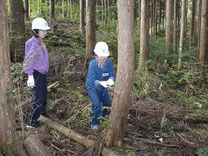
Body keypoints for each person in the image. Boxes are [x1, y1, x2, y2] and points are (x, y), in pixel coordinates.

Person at [23, 17, 50, 128]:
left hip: (42, 73)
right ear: (35, 30)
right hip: (35, 73)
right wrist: (30, 75)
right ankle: (32, 121)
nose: (45, 32)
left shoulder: (40, 42)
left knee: (44, 95)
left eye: (45, 30)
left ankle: (41, 114)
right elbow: (28, 60)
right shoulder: (32, 43)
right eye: (43, 30)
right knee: (37, 98)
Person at [86, 42, 115, 131]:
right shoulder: (93, 64)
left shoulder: (109, 63)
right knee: (97, 104)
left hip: (103, 88)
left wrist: (111, 79)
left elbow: (112, 74)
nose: (102, 57)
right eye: (100, 55)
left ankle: (102, 115)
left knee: (107, 104)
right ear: (97, 54)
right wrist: (100, 82)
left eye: (104, 56)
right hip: (92, 88)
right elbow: (92, 79)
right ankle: (94, 123)